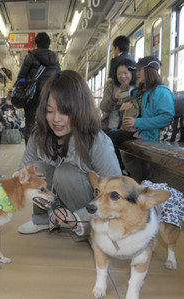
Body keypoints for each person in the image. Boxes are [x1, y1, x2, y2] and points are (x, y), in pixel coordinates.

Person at [17, 70, 121, 241]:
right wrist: (24, 177)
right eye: (50, 111)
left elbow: (116, 190)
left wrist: (81, 217)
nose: (56, 119)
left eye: (64, 112)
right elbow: (23, 168)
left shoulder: (96, 140)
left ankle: (89, 227)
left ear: (80, 109)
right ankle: (44, 219)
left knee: (65, 173)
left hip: (90, 207)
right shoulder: (39, 134)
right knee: (37, 169)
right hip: (56, 200)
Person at [106, 56, 175, 171]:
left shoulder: (162, 91)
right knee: (103, 136)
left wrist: (137, 122)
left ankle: (121, 172)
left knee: (109, 138)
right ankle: (120, 170)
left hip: (148, 133)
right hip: (133, 131)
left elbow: (166, 117)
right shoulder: (138, 92)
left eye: (140, 70)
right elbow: (130, 114)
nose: (136, 73)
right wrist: (122, 111)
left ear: (149, 71)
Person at [16, 32, 60, 144]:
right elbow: (59, 79)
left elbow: (21, 77)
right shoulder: (55, 60)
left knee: (30, 124)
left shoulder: (30, 57)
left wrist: (20, 89)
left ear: (36, 43)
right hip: (48, 96)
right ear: (49, 44)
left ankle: (30, 153)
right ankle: (47, 151)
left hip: (31, 96)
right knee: (48, 123)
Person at [100, 59, 137, 131]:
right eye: (119, 73)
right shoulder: (111, 85)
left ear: (132, 73)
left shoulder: (138, 87)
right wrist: (114, 98)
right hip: (111, 125)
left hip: (131, 126)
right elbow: (103, 107)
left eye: (126, 73)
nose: (122, 76)